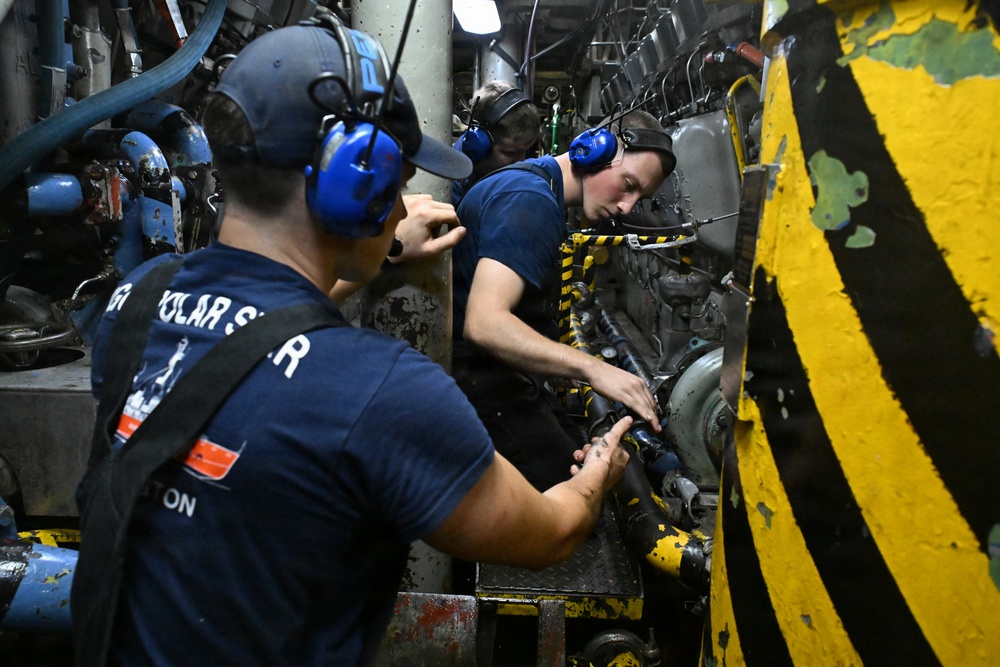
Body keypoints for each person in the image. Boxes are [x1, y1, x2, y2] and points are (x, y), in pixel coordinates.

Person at [71, 19, 632, 667]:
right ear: (355, 185)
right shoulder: (382, 391)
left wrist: (383, 254)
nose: (399, 209)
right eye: (395, 187)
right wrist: (597, 475)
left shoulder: (135, 301)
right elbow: (551, 533)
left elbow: (251, 338)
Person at [451, 109, 676, 491]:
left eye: (640, 197)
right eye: (628, 183)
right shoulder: (530, 202)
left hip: (498, 376)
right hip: (476, 384)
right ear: (593, 151)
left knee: (582, 457)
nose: (626, 206)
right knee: (576, 495)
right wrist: (594, 368)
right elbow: (485, 324)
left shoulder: (538, 186)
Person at [451, 80, 540, 205]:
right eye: (510, 152)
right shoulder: (451, 178)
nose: (522, 161)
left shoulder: (517, 152)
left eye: (526, 150)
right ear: (478, 143)